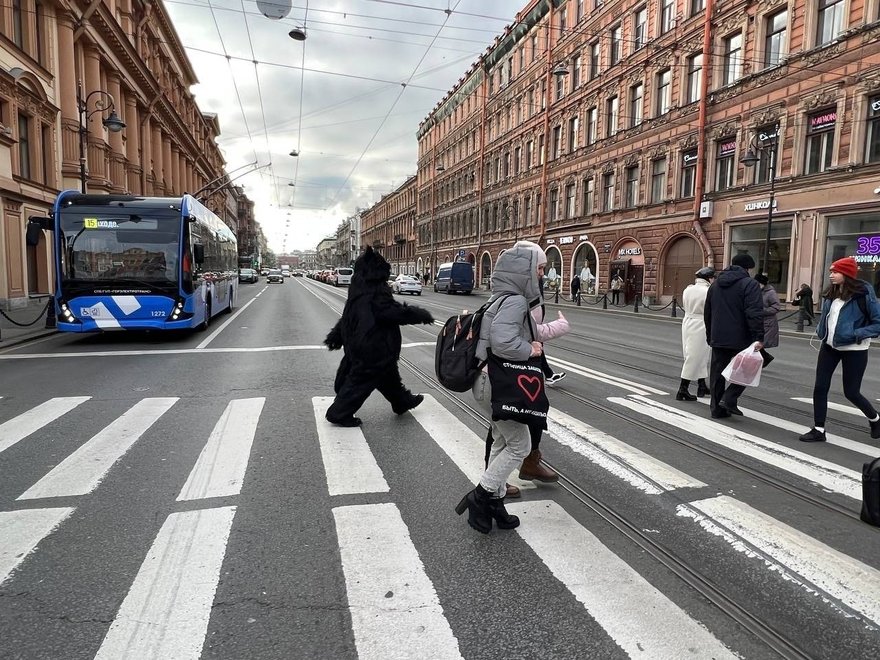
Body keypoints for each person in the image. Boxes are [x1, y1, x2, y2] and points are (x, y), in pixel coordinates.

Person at [458, 241, 547, 533]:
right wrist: (531, 350)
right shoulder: (516, 301)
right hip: (496, 383)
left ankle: (495, 503)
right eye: (540, 268)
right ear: (525, 271)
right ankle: (481, 496)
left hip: (485, 381)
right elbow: (504, 342)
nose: (544, 274)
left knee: (500, 441)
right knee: (521, 444)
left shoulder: (499, 297)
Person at [323, 246, 434, 427]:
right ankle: (339, 412)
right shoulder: (375, 289)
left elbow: (349, 316)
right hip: (374, 346)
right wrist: (419, 314)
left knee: (387, 376)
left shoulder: (359, 287)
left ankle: (401, 401)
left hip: (362, 342)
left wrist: (336, 335)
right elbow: (388, 311)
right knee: (363, 378)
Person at [798, 257, 880, 442]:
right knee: (820, 387)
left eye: (835, 272)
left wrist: (856, 333)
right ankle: (819, 430)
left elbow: (878, 323)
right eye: (831, 272)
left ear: (847, 274)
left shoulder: (863, 293)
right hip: (830, 346)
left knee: (851, 392)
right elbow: (829, 317)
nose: (831, 275)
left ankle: (875, 419)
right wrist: (822, 332)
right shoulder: (831, 292)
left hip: (854, 348)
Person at [703, 253, 764, 418]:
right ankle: (729, 398)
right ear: (748, 268)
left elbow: (707, 313)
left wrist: (710, 335)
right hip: (742, 336)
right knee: (747, 367)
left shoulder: (715, 285)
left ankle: (717, 409)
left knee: (717, 372)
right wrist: (758, 336)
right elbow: (754, 312)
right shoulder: (749, 284)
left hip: (718, 335)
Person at [678, 267, 715, 401]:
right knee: (695, 356)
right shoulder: (708, 291)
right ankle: (682, 389)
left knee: (698, 355)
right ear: (709, 278)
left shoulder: (688, 289)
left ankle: (701, 385)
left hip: (687, 321)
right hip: (701, 323)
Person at [755, 273, 780, 367]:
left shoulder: (770, 292)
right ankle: (764, 358)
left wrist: (762, 311)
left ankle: (765, 358)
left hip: (768, 322)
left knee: (758, 343)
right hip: (759, 321)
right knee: (755, 342)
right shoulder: (757, 291)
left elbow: (776, 307)